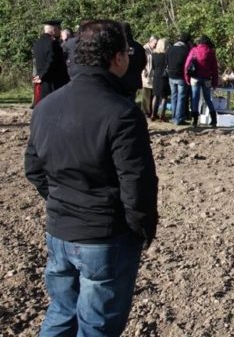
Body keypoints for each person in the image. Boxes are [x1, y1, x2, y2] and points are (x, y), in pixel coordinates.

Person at [24, 19, 158, 336]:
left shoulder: (45, 107)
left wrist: (61, 200)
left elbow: (33, 168)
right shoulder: (121, 113)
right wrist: (142, 226)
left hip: (59, 230)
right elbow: (137, 183)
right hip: (103, 237)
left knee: (60, 312)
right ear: (117, 57)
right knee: (97, 326)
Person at [32, 20, 70, 106]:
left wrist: (40, 75)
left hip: (43, 82)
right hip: (54, 82)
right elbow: (51, 61)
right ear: (53, 29)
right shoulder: (53, 43)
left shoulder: (37, 43)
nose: (60, 31)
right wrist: (42, 75)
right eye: (59, 29)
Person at [184, 36, 219, 127]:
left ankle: (194, 120)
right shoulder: (211, 52)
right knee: (208, 99)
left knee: (195, 98)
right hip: (207, 79)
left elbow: (187, 65)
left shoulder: (194, 50)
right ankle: (214, 119)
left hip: (195, 78)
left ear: (199, 42)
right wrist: (215, 82)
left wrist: (187, 78)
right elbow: (214, 69)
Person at [166, 33, 191, 125]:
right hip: (180, 76)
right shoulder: (185, 51)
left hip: (171, 76)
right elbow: (188, 65)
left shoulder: (170, 49)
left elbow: (166, 61)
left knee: (174, 96)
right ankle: (178, 118)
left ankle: (173, 117)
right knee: (181, 98)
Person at [119, 22, 146, 101]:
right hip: (134, 79)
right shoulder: (138, 46)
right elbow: (143, 62)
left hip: (120, 79)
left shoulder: (118, 45)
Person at [150, 38, 170, 121]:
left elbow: (153, 66)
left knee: (156, 95)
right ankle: (162, 115)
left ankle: (153, 114)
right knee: (164, 96)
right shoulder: (166, 54)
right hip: (164, 76)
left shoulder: (153, 54)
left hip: (156, 75)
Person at [140, 36, 158, 117]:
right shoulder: (145, 49)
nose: (156, 45)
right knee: (146, 93)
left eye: (157, 44)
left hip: (153, 74)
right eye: (155, 43)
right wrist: (144, 69)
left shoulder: (156, 49)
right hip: (146, 73)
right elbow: (141, 61)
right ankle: (145, 111)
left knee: (152, 94)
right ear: (150, 41)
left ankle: (151, 111)